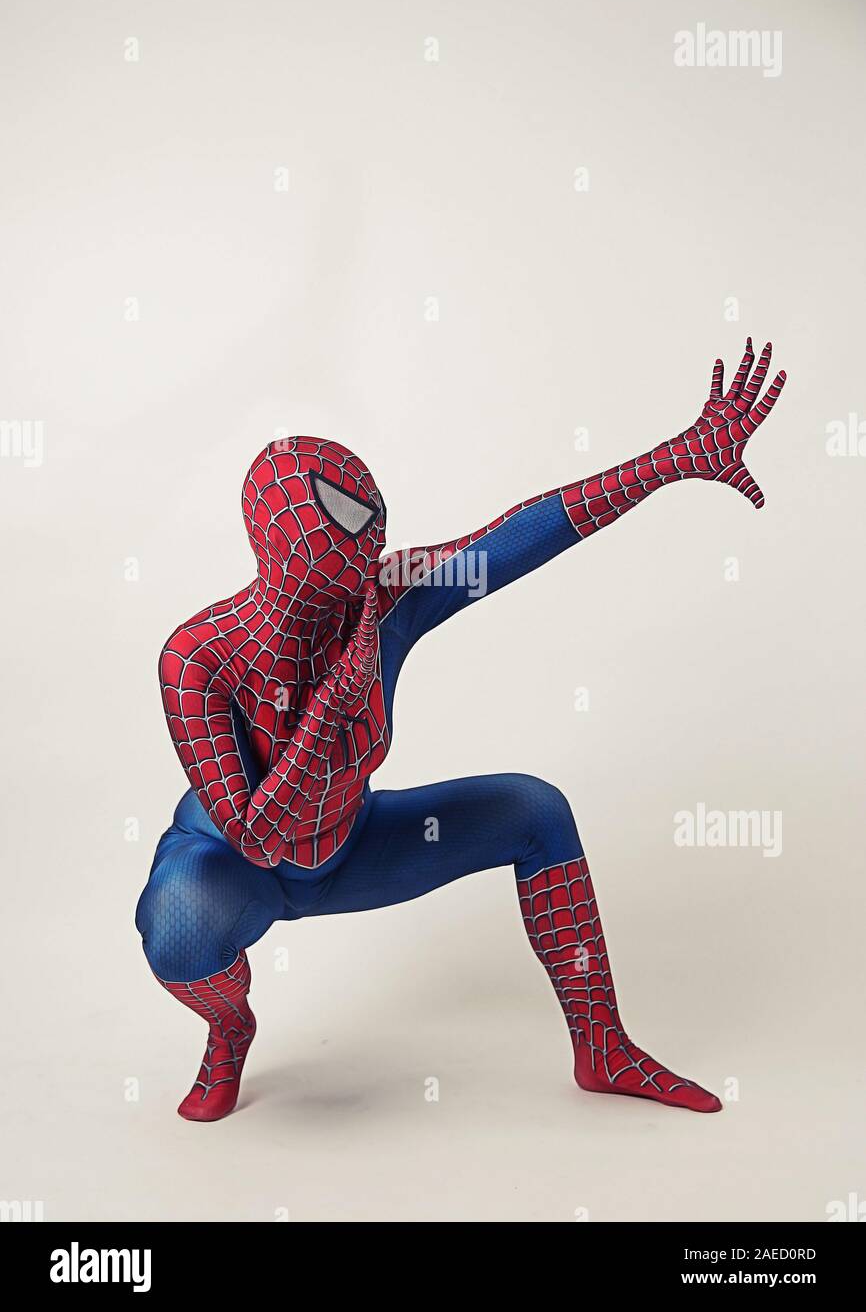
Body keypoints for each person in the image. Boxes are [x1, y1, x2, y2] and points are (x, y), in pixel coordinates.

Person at [136, 339, 786, 1121]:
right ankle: (230, 1030)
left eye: (372, 529)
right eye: (344, 539)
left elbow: (510, 543)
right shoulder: (199, 658)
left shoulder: (383, 598)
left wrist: (674, 458)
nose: (368, 556)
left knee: (535, 811)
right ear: (280, 546)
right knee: (177, 923)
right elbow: (258, 838)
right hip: (235, 871)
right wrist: (331, 710)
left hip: (353, 845)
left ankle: (603, 1046)